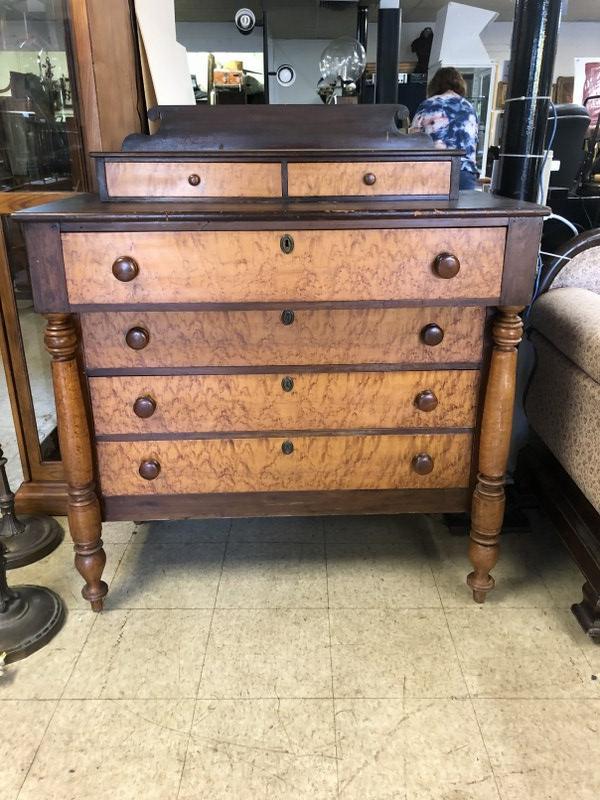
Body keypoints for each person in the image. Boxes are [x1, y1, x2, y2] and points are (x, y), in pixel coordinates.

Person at [409, 67, 480, 190]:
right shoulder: (470, 108)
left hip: (435, 171)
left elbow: (414, 140)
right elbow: (474, 141)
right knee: (463, 209)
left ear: (435, 84)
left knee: (431, 209)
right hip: (465, 173)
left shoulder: (428, 104)